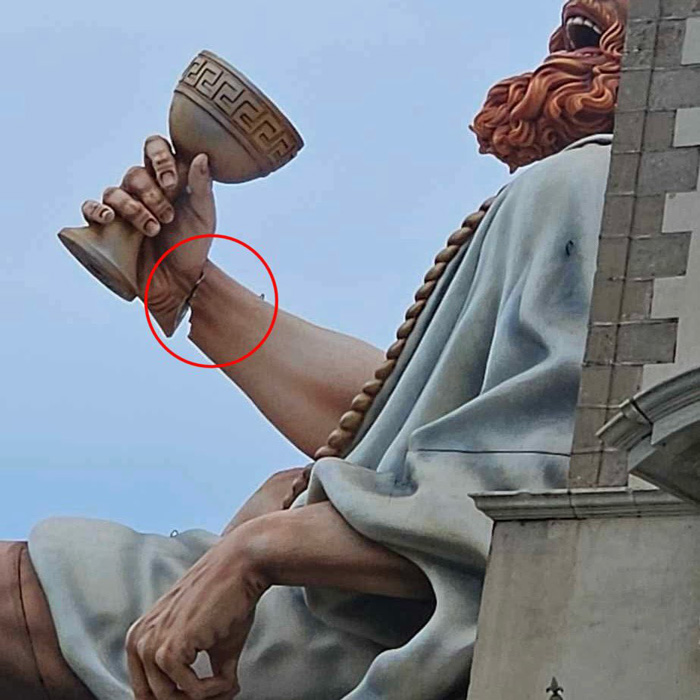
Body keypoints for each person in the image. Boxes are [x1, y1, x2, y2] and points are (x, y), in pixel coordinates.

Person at [0, 1, 629, 698]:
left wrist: (263, 548)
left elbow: (535, 496)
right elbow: (405, 425)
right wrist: (193, 281)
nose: (568, 23)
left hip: (370, 629)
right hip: (317, 586)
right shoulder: (576, 191)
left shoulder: (596, 187)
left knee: (9, 600)